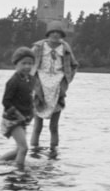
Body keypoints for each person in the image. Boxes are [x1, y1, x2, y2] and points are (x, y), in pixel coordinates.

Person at [30, 20, 79, 149]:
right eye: (53, 32)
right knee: (37, 126)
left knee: (54, 126)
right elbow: (27, 61)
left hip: (57, 88)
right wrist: (32, 80)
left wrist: (67, 80)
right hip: (40, 86)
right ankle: (34, 151)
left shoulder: (65, 48)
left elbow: (74, 65)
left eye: (58, 33)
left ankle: (53, 153)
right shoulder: (38, 47)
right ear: (48, 34)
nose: (55, 35)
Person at [0, 47, 37, 169]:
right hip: (12, 119)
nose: (27, 66)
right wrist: (18, 114)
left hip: (23, 119)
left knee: (18, 150)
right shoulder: (13, 81)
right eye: (24, 63)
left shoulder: (30, 79)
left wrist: (32, 111)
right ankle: (19, 171)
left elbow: (29, 97)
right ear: (16, 64)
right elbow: (6, 101)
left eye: (30, 63)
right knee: (24, 148)